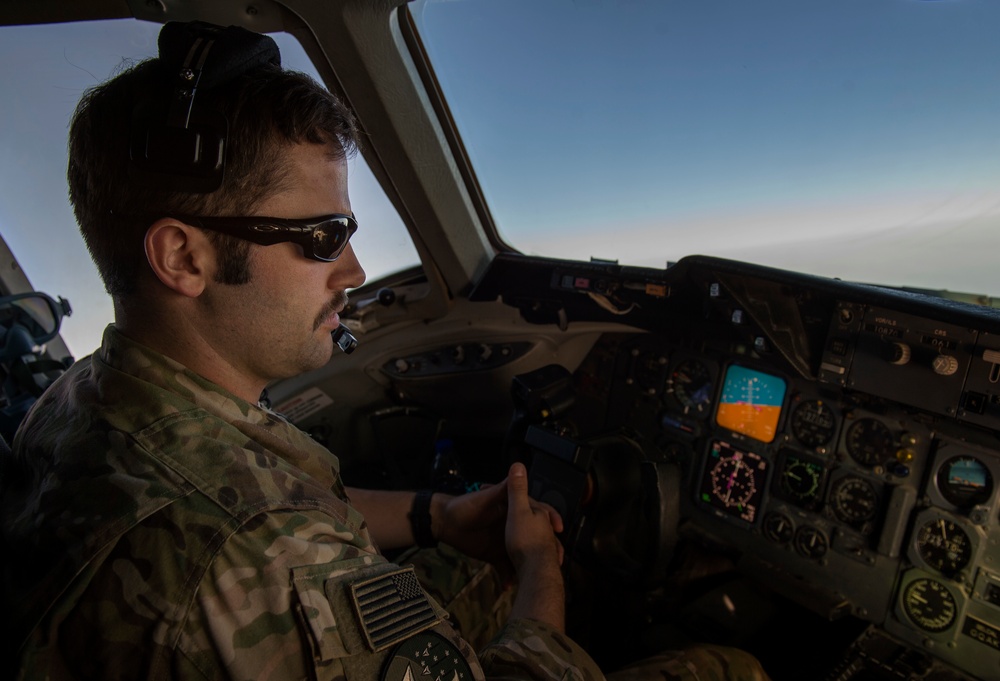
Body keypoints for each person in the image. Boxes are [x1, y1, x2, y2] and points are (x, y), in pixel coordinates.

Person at [0, 21, 769, 681]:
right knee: (736, 667)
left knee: (479, 560)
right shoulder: (258, 555)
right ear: (184, 258)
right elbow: (274, 540)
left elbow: (296, 506)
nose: (355, 272)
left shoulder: (78, 399)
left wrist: (442, 515)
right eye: (322, 238)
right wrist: (543, 568)